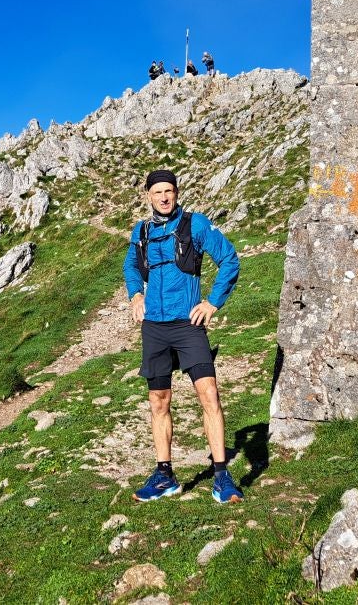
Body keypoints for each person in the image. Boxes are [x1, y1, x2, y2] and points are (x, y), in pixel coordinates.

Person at [123, 169, 243, 504]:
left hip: (188, 326)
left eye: (169, 191)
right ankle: (165, 476)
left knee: (209, 394)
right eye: (158, 192)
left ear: (177, 193)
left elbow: (229, 259)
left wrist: (212, 303)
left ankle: (222, 477)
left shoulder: (196, 224)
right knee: (159, 401)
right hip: (155, 328)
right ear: (148, 196)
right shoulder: (142, 231)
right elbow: (130, 266)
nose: (164, 197)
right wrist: (135, 295)